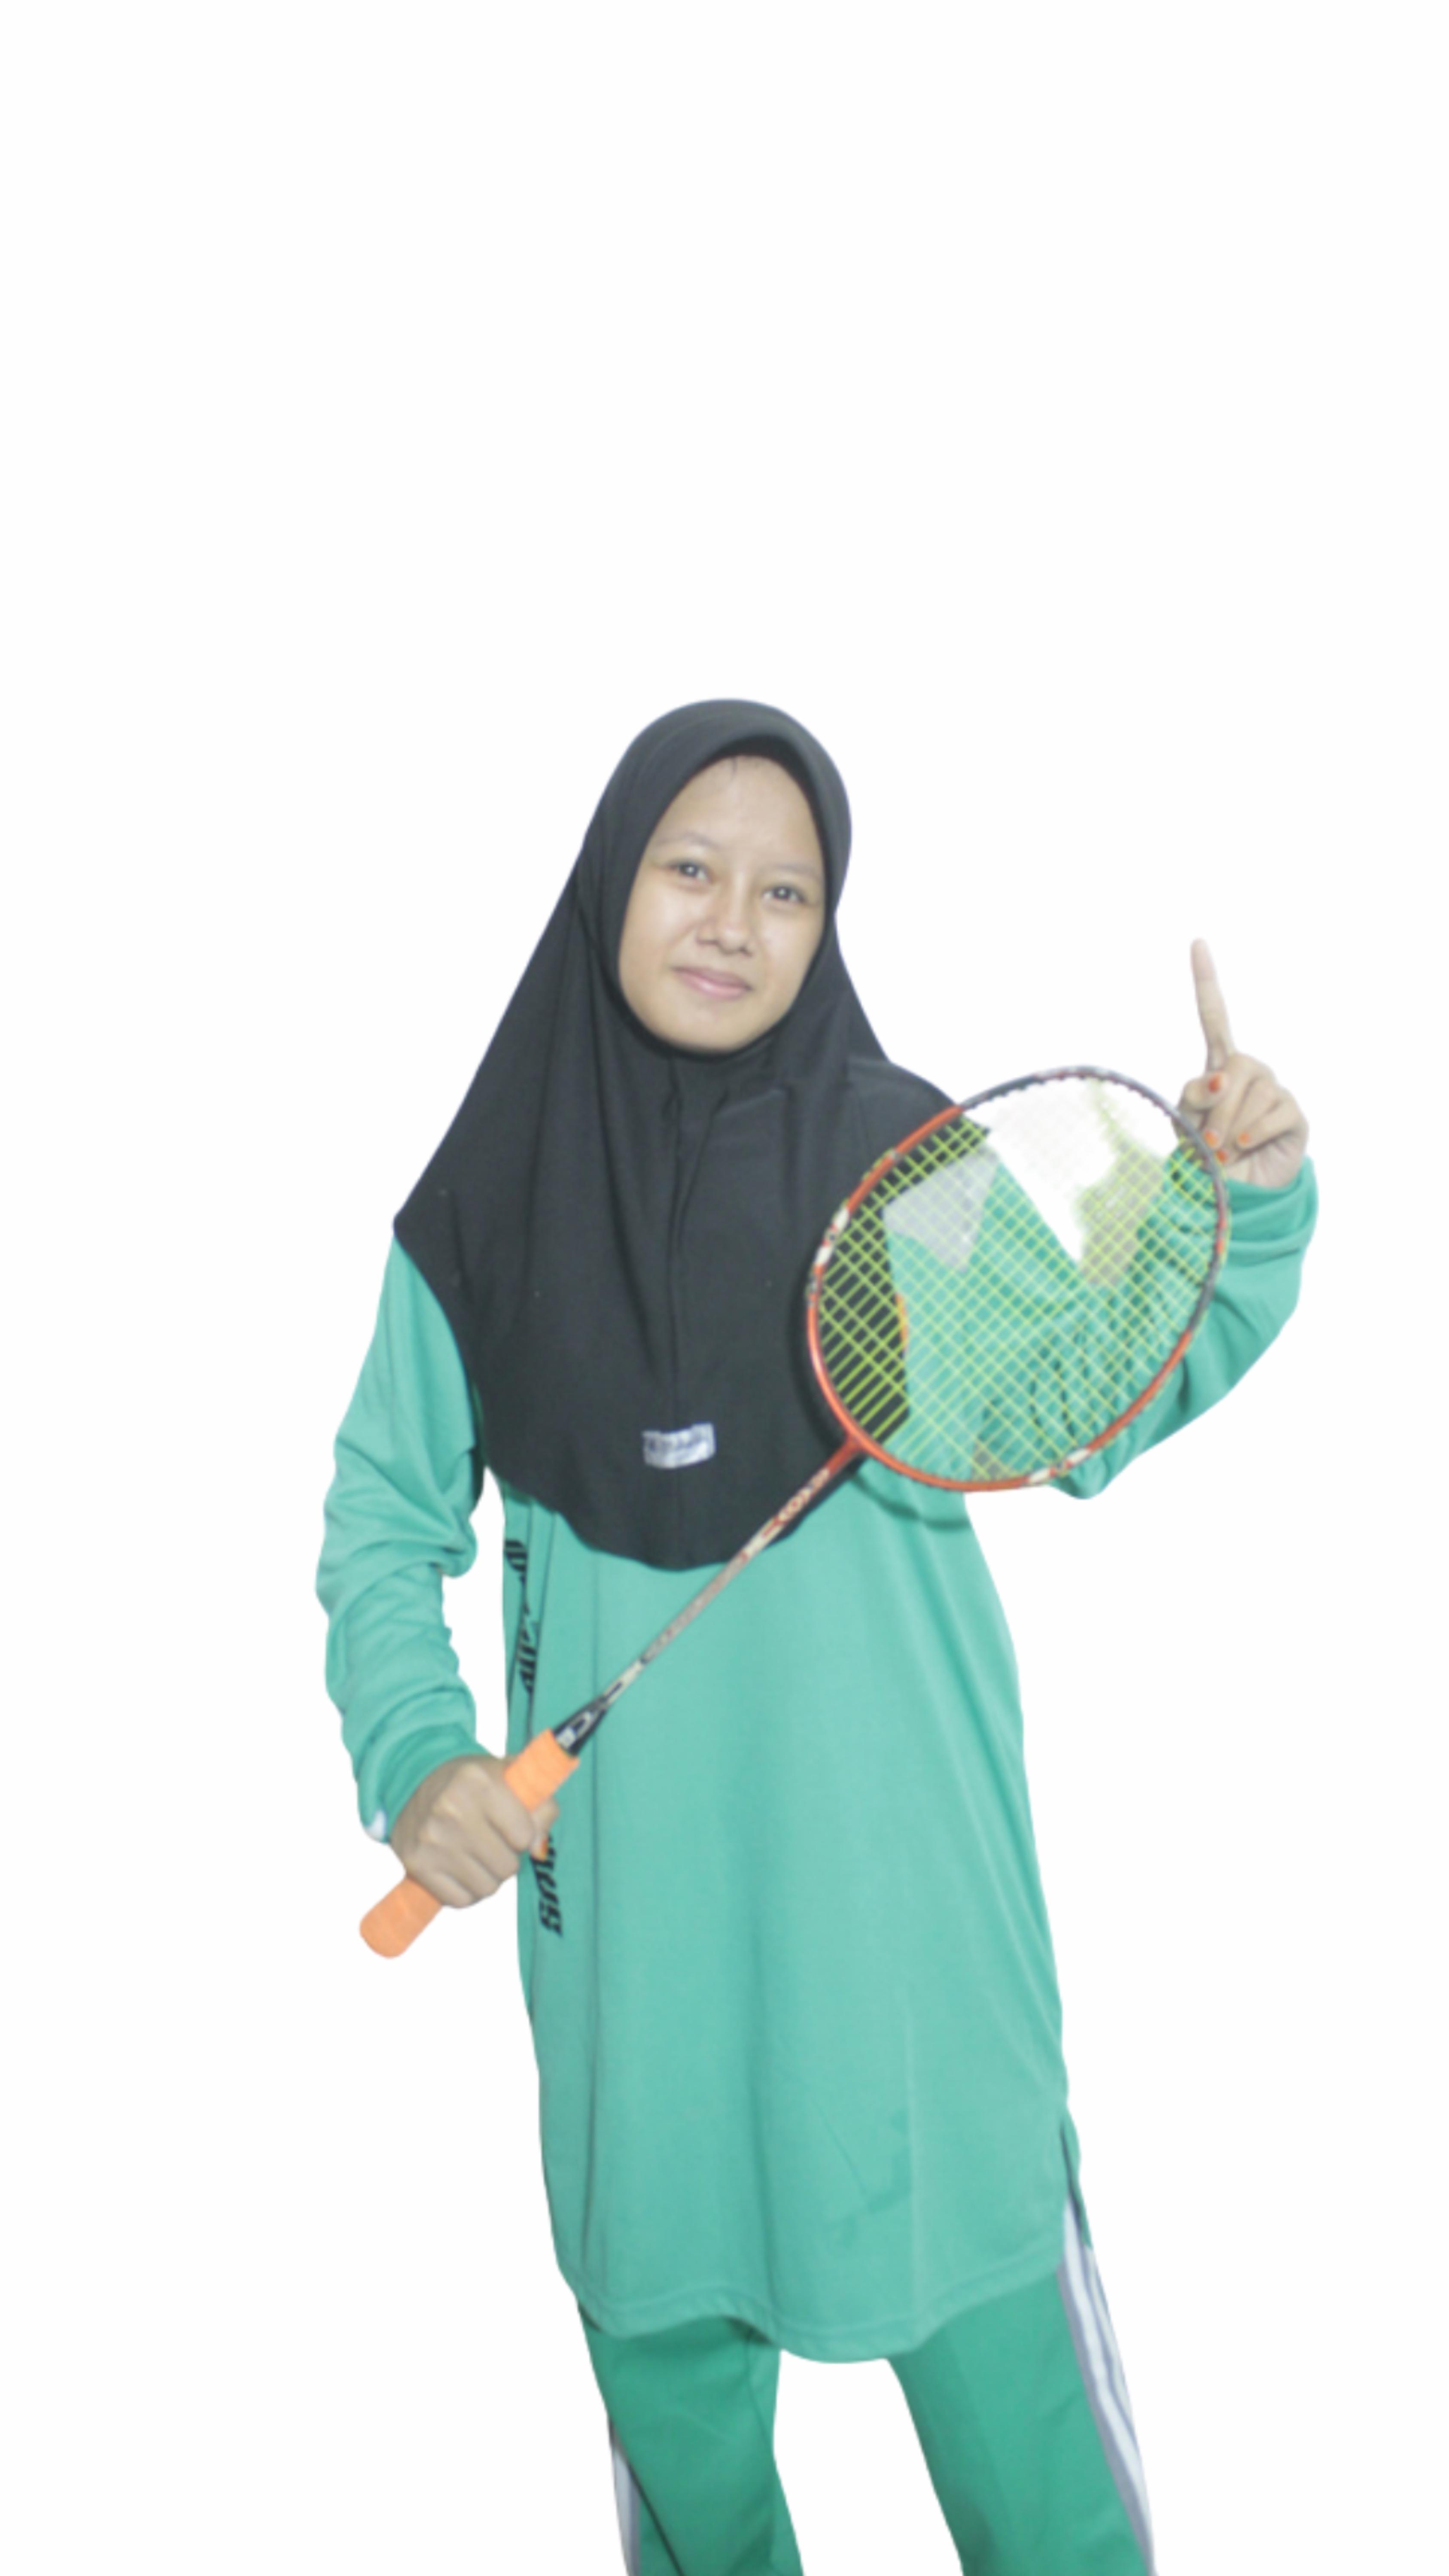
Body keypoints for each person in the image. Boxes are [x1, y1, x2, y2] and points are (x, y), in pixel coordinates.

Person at [317, 699, 1316, 2576]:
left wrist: (1235, 1207)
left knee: (1039, 2485)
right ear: (609, 884)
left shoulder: (903, 1169)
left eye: (787, 890)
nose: (734, 921)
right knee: (689, 2474)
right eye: (690, 869)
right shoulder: (479, 1210)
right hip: (635, 1988)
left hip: (917, 1962)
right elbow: (383, 1518)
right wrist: (419, 1755)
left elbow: (1089, 1395)